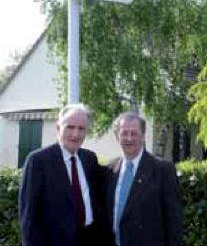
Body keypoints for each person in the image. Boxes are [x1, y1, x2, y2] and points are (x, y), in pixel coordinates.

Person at [19, 103, 104, 246]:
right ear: (58, 127)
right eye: (70, 127)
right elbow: (29, 217)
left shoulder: (89, 159)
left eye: (81, 128)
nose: (75, 134)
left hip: (90, 239)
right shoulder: (38, 161)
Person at [106, 111, 182, 246]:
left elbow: (173, 221)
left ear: (143, 136)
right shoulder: (108, 170)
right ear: (117, 136)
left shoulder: (163, 170)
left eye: (134, 133)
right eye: (124, 133)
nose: (129, 138)